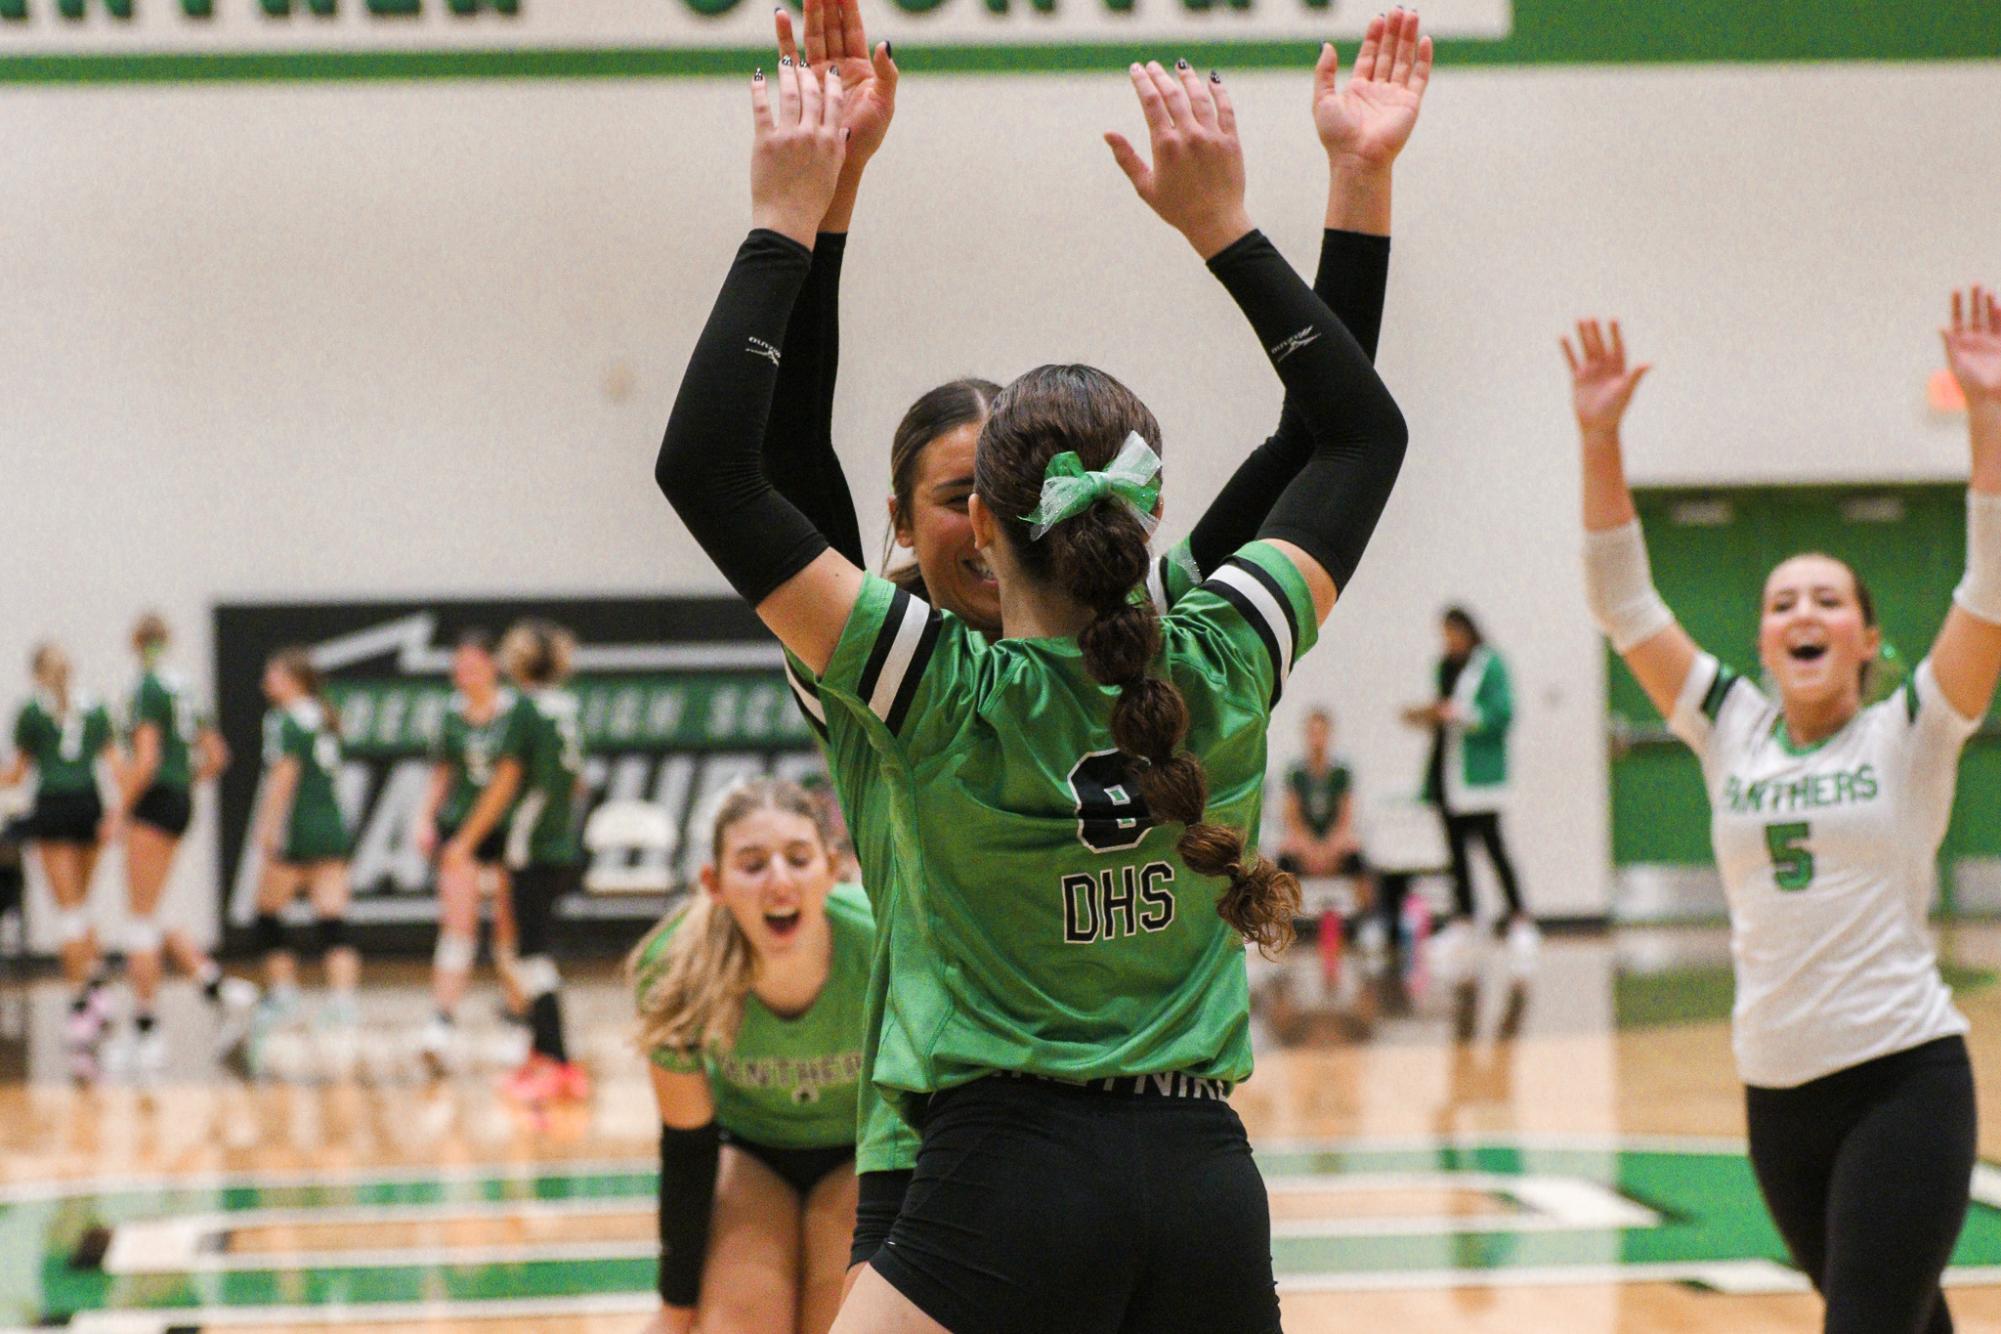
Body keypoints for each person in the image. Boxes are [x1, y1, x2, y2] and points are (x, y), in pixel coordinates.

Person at [656, 44, 1408, 1331]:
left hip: (1003, 1148)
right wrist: (1300, 207)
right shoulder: (1192, 647)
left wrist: (798, 213)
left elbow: (1309, 440)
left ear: (1009, 527)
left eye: (978, 493)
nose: (966, 523)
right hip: (956, 1133)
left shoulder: (930, 681)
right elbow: (1345, 435)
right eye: (940, 495)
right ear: (898, 528)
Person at [1564, 290, 2001, 1334]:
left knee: (1864, 1321)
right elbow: (1625, 603)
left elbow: (1989, 588)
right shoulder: (1730, 725)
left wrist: (1986, 417)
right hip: (1776, 1092)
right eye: (1781, 602)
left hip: (1904, 1079)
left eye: (1827, 600)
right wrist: (1599, 437)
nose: (1802, 612)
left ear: (1866, 636)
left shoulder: (1914, 728)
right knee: (1905, 1318)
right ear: (1763, 640)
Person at [630, 779, 869, 1334]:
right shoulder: (674, 971)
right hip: (752, 1155)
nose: (780, 881)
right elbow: (687, 1147)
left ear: (833, 869)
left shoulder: (884, 940)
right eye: (753, 864)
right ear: (713, 882)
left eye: (799, 859)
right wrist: (673, 1311)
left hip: (864, 1152)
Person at [445, 618, 589, 1104]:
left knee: (532, 957)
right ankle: (539, 1053)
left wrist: (465, 841)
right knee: (529, 952)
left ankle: (559, 1061)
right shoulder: (566, 706)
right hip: (561, 840)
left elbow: (506, 780)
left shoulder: (525, 710)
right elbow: (576, 780)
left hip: (532, 846)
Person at [112, 612, 255, 1068]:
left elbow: (148, 759)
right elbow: (216, 757)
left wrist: (120, 809)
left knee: (139, 920)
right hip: (179, 802)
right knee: (154, 912)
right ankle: (220, 987)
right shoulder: (186, 688)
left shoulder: (146, 688)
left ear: (135, 642)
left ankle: (147, 1031)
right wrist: (184, 780)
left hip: (154, 803)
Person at [413, 628, 525, 1074]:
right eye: (458, 666)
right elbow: (441, 773)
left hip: (505, 832)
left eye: (473, 665)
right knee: (457, 930)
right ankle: (440, 1024)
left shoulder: (516, 714)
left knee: (507, 934)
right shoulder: (450, 715)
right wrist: (424, 818)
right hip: (459, 831)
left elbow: (514, 779)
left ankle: (518, 1023)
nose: (464, 673)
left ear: (492, 667)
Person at [2, 643, 120, 1051]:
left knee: (69, 912)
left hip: (53, 809)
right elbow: (116, 768)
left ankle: (79, 1006)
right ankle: (99, 986)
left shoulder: (33, 711)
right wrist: (118, 814)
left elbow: (16, 775)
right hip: (90, 806)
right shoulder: (96, 708)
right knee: (81, 906)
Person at [1404, 604, 1535, 962]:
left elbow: (1502, 714)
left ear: (1467, 630)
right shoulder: (1444, 667)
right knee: (1455, 852)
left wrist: (1461, 714)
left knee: (1493, 847)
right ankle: (1464, 919)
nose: (1448, 641)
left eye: (1452, 633)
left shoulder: (1490, 664)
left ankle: (1520, 918)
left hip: (1479, 778)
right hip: (1447, 772)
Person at [248, 648, 359, 1042]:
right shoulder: (324, 714)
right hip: (331, 825)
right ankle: (343, 1002)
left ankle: (283, 995)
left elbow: (284, 778)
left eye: (273, 673)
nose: (265, 680)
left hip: (299, 827)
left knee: (267, 912)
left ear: (293, 679)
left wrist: (268, 829)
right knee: (332, 918)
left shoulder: (284, 720)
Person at [1277, 706, 1382, 955]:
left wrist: (1330, 849)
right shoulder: (1295, 773)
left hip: (1333, 845)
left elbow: (1346, 818)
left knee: (1358, 855)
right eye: (1312, 733)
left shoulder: (1341, 773)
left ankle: (1370, 922)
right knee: (1280, 859)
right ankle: (1277, 925)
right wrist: (1310, 849)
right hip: (1306, 847)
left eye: (1321, 733)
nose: (1317, 739)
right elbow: (1292, 819)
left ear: (1329, 735)